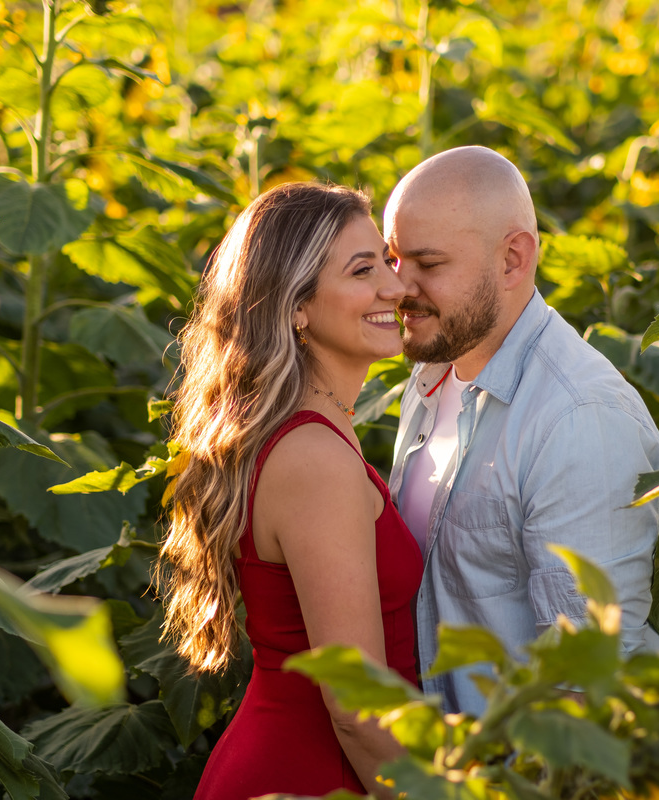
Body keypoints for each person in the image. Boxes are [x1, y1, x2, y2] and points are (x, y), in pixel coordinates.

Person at [383, 146, 659, 716]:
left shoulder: (580, 420)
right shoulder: (433, 373)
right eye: (392, 259)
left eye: (428, 264)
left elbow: (584, 679)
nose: (397, 287)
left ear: (513, 259)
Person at [158, 182, 420, 799]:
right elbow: (355, 706)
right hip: (314, 777)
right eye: (364, 270)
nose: (396, 287)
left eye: (388, 260)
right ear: (296, 306)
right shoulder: (314, 459)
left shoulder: (310, 436)